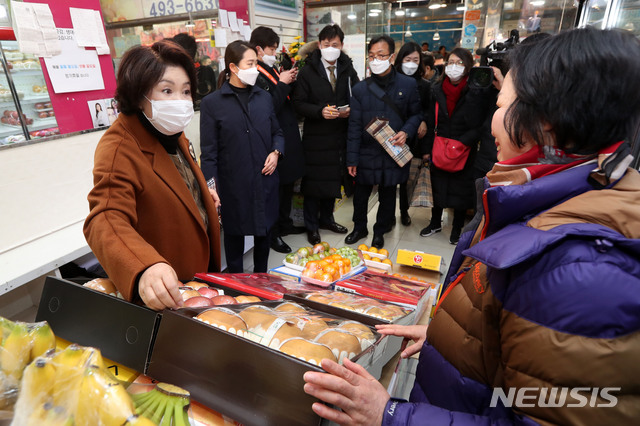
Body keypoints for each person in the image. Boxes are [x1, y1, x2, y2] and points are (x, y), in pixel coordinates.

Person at [303, 27, 640, 425]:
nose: (492, 122)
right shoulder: (547, 202)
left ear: (547, 124)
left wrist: (390, 415)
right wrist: (452, 338)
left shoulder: (582, 271)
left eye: (501, 105)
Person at [84, 40, 221, 311]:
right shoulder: (119, 146)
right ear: (138, 95)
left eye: (185, 91)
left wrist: (202, 196)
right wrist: (145, 265)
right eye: (166, 90)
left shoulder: (171, 132)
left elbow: (175, 181)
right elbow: (106, 217)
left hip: (198, 276)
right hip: (167, 290)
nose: (180, 102)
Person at [200, 41, 284, 273]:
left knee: (264, 234)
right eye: (251, 64)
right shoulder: (212, 104)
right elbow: (209, 153)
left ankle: (261, 281)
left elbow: (277, 131)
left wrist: (276, 152)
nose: (256, 69)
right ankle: (236, 286)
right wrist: (211, 186)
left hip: (264, 180)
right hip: (233, 185)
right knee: (234, 239)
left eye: (256, 63)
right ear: (234, 68)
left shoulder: (263, 97)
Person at [344, 35, 422, 249]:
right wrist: (352, 158)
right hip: (366, 151)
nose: (375, 60)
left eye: (381, 55)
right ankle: (359, 228)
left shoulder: (407, 84)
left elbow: (416, 115)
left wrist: (406, 131)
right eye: (371, 56)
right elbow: (353, 127)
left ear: (392, 56)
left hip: (392, 150)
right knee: (361, 195)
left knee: (388, 196)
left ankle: (380, 231)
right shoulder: (360, 89)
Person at [292, 24, 359, 246]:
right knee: (313, 184)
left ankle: (327, 219)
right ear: (319, 45)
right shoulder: (308, 70)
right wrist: (320, 111)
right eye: (326, 44)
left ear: (342, 46)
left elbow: (357, 95)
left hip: (339, 135)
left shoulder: (348, 68)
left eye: (335, 45)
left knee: (332, 180)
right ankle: (312, 226)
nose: (331, 48)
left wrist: (350, 109)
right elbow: (299, 103)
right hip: (316, 136)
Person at [419, 47, 491, 244]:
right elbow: (431, 121)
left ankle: (457, 228)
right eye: (450, 62)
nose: (454, 67)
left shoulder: (476, 90)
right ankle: (435, 222)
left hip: (465, 148)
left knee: (461, 190)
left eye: (459, 63)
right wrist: (427, 149)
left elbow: (481, 123)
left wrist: (463, 143)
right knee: (438, 186)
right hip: (440, 146)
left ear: (468, 67)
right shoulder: (437, 89)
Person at [250, 26, 306, 254]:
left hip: (287, 135)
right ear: (258, 50)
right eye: (271, 49)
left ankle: (285, 223)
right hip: (272, 140)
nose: (274, 53)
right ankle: (273, 234)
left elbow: (282, 98)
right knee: (275, 190)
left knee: (287, 185)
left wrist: (287, 81)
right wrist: (282, 83)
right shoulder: (255, 75)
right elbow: (268, 107)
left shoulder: (272, 70)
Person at [393, 42, 431, 226]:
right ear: (400, 60)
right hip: (393, 136)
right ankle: (388, 212)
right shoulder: (391, 80)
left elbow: (427, 110)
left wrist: (423, 120)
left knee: (407, 178)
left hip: (414, 136)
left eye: (415, 60)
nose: (411, 63)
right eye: (408, 59)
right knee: (391, 178)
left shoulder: (425, 85)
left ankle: (404, 210)